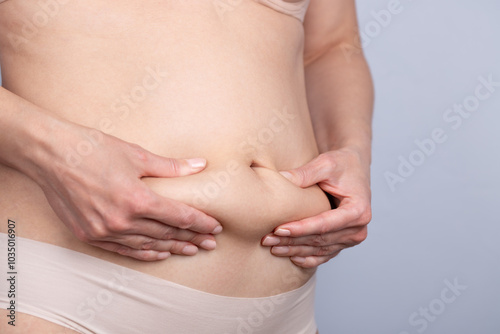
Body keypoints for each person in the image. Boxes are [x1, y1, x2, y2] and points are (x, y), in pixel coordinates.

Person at [0, 0, 373, 333]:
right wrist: (56, 154)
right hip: (62, 294)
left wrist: (352, 150)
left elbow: (331, 47)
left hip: (284, 310)